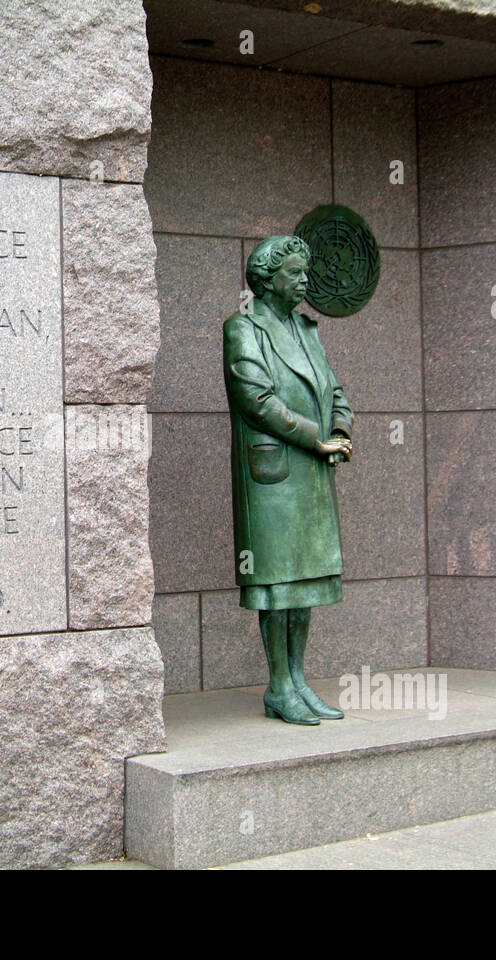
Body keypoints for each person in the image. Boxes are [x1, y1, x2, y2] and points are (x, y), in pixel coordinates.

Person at [223, 235, 353, 725]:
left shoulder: (306, 328)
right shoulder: (243, 329)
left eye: (304, 271)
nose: (304, 280)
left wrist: (340, 429)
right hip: (274, 477)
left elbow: (332, 387)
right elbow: (255, 399)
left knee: (306, 582)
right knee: (278, 583)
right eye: (295, 272)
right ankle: (278, 685)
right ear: (268, 278)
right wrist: (316, 437)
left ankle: (299, 680)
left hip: (314, 471)